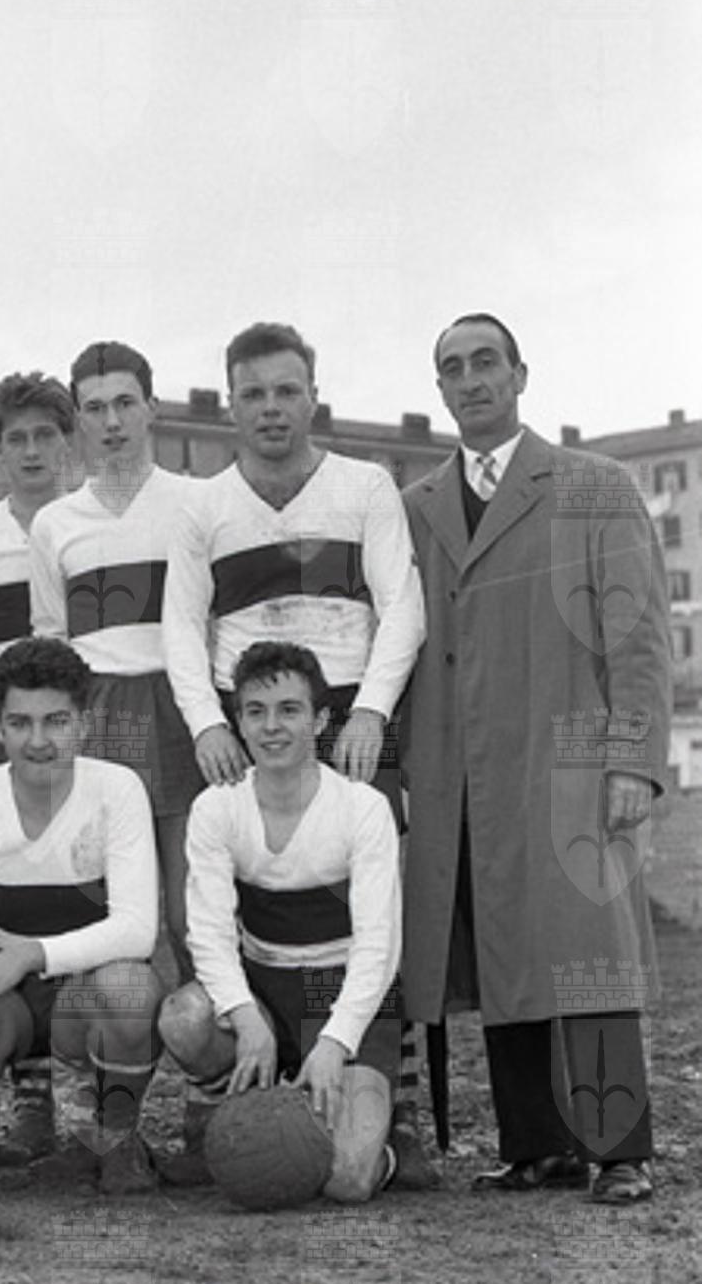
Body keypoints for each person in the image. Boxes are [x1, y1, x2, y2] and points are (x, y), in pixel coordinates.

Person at [400, 313, 671, 1204]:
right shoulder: (415, 507)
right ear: (439, 389)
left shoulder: (594, 487)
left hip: (569, 761)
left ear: (519, 375)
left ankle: (619, 1148)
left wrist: (631, 759)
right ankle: (536, 1146)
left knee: (588, 952)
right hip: (460, 767)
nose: (470, 379)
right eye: (452, 368)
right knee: (500, 948)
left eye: (486, 361)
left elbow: (637, 636)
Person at [160, 321, 433, 1186]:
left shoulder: (364, 485)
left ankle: (392, 1105)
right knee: (247, 884)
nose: (270, 408)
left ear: (313, 396)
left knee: (370, 902)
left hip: (345, 713)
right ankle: (229, 1101)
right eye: (252, 393)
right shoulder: (204, 504)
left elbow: (403, 608)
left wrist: (372, 711)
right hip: (248, 714)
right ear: (230, 405)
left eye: (286, 390)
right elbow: (180, 625)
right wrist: (205, 723)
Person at [0, 636, 163, 1190]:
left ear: (84, 724)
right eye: (20, 723)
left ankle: (114, 1136)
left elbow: (138, 931)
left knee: (130, 990)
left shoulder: (118, 790)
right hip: (8, 994)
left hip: (82, 989)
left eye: (56, 722)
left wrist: (28, 956)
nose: (38, 741)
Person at [157, 641, 401, 1200]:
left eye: (289, 710)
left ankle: (381, 1141)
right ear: (238, 723)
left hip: (341, 993)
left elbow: (379, 946)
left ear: (319, 721)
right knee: (185, 1018)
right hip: (265, 988)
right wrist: (245, 1018)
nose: (272, 727)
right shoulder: (217, 807)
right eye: (256, 712)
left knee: (346, 1180)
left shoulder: (362, 807)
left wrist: (336, 1041)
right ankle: (225, 1113)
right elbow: (209, 936)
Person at [31, 340, 203, 984]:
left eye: (126, 403)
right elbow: (51, 639)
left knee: (191, 914)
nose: (112, 422)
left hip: (181, 708)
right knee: (110, 913)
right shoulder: (55, 523)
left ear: (152, 408)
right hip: (100, 715)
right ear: (78, 419)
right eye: (95, 408)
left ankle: (211, 1039)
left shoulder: (197, 502)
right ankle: (114, 1042)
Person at [0, 373, 76, 772]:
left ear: (66, 441)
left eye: (44, 435)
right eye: (17, 439)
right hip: (4, 718)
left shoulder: (90, 526)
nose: (31, 451)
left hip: (78, 712)